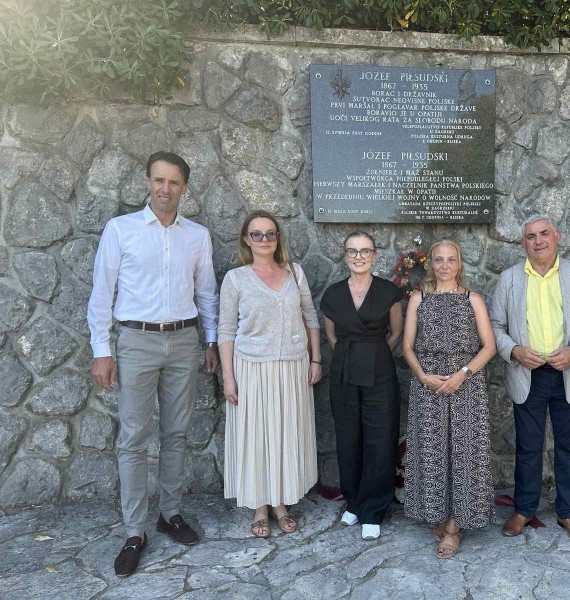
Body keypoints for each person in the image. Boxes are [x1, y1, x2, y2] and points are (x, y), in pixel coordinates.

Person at [87, 151, 219, 577]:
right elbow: (102, 291)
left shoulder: (197, 236)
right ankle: (134, 532)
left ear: (185, 188)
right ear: (147, 182)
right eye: (159, 180)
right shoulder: (121, 230)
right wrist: (101, 350)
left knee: (176, 432)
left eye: (174, 182)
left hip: (183, 340)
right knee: (134, 438)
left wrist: (211, 341)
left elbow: (206, 293)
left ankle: (170, 514)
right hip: (136, 341)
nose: (165, 188)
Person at [490, 214, 570, 544]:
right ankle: (524, 509)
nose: (538, 241)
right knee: (528, 448)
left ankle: (567, 512)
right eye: (531, 236)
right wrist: (514, 350)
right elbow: (495, 326)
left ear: (557, 237)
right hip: (527, 375)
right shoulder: (510, 279)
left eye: (544, 234)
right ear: (523, 243)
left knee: (569, 449)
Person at [218, 210, 322, 538]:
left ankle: (280, 503)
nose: (264, 239)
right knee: (257, 436)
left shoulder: (295, 273)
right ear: (246, 240)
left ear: (278, 238)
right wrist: (229, 376)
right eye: (257, 234)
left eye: (270, 233)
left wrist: (316, 359)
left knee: (285, 434)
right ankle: (260, 506)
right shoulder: (235, 279)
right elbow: (225, 330)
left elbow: (311, 317)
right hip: (251, 368)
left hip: (292, 366)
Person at [402, 240, 496, 559]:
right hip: (428, 385)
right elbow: (407, 347)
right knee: (433, 451)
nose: (445, 265)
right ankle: (439, 513)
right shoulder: (418, 298)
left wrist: (462, 374)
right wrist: (423, 376)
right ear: (431, 264)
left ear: (460, 263)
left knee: (465, 452)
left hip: (465, 385)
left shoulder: (473, 299)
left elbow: (489, 346)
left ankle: (456, 527)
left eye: (451, 259)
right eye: (439, 260)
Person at [320, 232, 404, 541]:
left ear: (374, 255)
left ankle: (373, 509)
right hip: (343, 373)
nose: (359, 257)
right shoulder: (333, 294)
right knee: (348, 438)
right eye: (353, 251)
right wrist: (350, 356)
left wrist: (373, 353)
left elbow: (396, 332)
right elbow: (332, 336)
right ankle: (354, 502)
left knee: (380, 439)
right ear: (345, 255)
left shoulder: (388, 292)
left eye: (365, 251)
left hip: (379, 372)